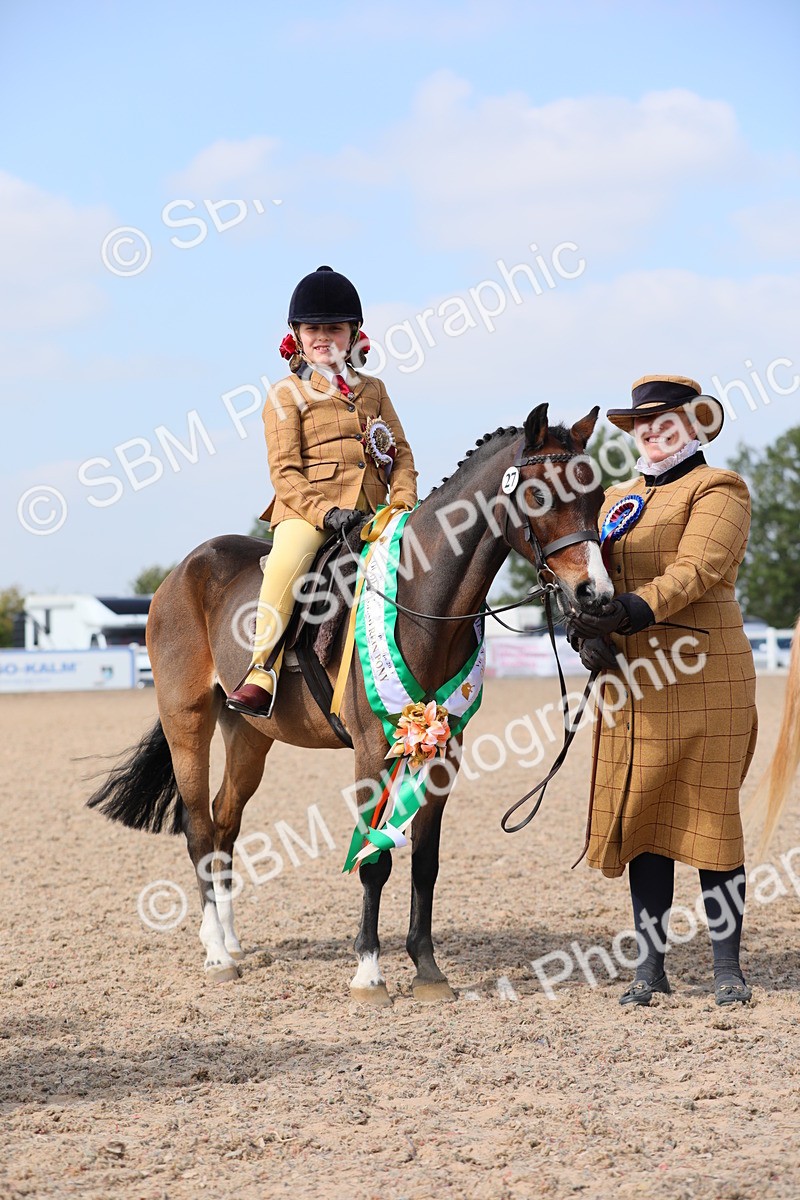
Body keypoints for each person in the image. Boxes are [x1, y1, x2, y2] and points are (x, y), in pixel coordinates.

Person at [565, 375, 758, 1007]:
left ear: (696, 425)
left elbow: (697, 571)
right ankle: (651, 967)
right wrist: (585, 623)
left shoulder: (719, 489)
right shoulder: (617, 497)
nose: (651, 432)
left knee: (709, 815)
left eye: (666, 421)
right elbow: (589, 570)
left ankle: (727, 965)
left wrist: (628, 611)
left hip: (704, 671)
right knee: (644, 814)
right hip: (635, 677)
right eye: (643, 424)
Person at [226, 266, 418, 718]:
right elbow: (285, 473)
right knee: (287, 563)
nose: (324, 337)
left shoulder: (375, 389)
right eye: (314, 328)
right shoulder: (284, 394)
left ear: (353, 334)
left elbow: (402, 454)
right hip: (307, 514)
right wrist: (327, 514)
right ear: (297, 334)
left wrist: (402, 502)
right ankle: (261, 670)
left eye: (335, 327)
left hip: (376, 511)